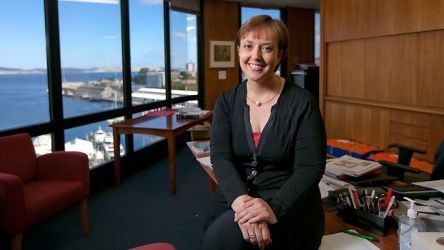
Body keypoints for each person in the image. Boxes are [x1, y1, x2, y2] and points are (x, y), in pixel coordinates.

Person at [201, 15, 326, 250]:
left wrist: (273, 209)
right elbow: (221, 157)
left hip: (288, 199)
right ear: (239, 51)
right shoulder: (226, 102)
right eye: (248, 46)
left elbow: (310, 167)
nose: (255, 56)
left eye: (267, 48)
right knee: (215, 239)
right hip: (239, 192)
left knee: (226, 241)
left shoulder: (303, 103)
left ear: (280, 55)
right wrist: (242, 204)